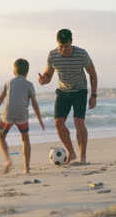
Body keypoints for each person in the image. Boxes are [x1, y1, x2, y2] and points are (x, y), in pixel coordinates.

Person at [38, 29, 97, 165]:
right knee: (58, 123)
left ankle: (82, 156)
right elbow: (48, 74)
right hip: (63, 92)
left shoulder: (82, 54)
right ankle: (71, 152)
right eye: (61, 46)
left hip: (80, 91)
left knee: (78, 122)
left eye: (66, 46)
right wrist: (44, 80)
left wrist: (93, 95)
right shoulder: (53, 55)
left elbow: (92, 74)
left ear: (71, 42)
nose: (63, 49)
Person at [0, 58, 45, 174]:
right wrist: (40, 120)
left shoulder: (8, 83)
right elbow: (34, 104)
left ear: (14, 72)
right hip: (22, 114)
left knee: (1, 137)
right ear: (27, 73)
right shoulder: (29, 84)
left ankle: (8, 159)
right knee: (25, 139)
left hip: (7, 113)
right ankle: (26, 167)